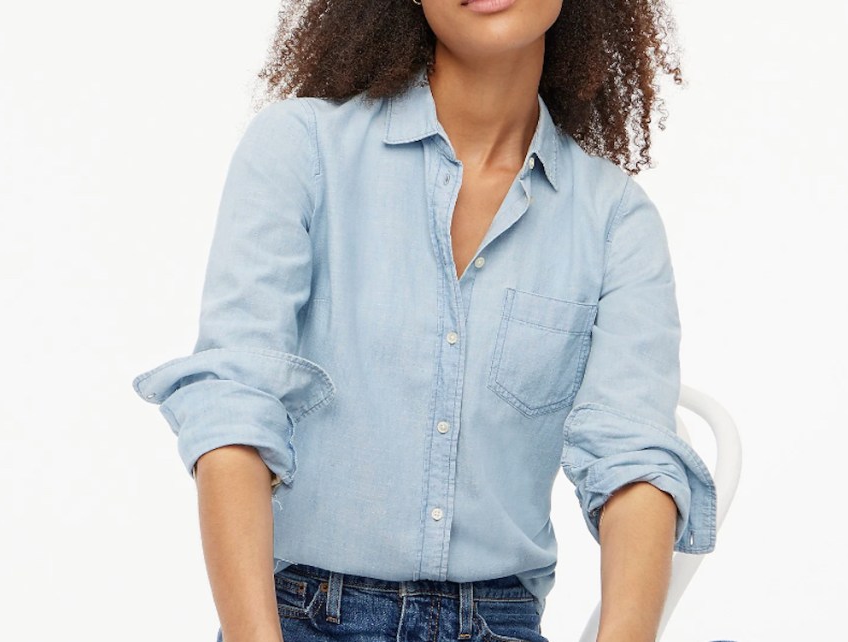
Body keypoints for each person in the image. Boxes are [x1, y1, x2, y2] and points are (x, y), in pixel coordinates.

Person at [131, 1, 717, 641]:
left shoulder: (615, 221)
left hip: (498, 624)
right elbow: (234, 410)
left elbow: (631, 460)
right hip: (300, 618)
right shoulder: (301, 150)